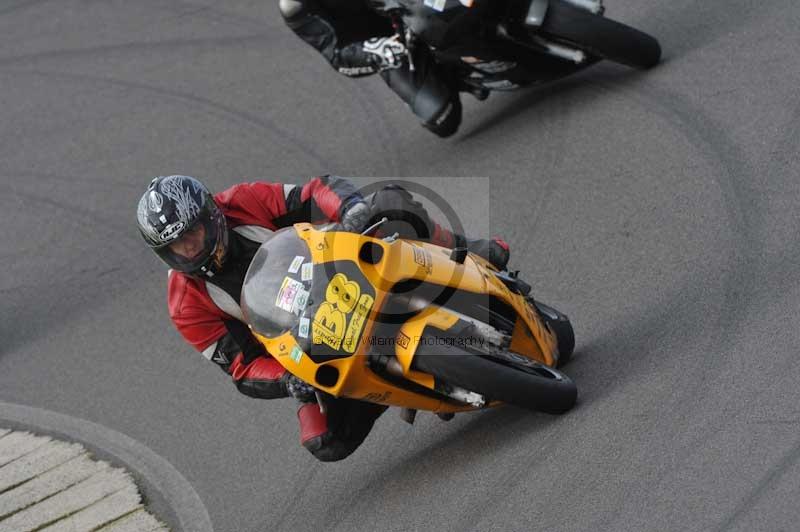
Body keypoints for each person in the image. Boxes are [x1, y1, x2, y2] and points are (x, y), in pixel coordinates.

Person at [137, 174, 509, 461]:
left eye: (194, 233)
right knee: (324, 440)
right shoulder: (186, 305)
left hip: (342, 270)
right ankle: (396, 388)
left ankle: (468, 251)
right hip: (310, 342)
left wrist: (349, 210)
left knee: (389, 202)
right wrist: (286, 381)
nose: (190, 248)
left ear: (211, 215)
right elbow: (242, 367)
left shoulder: (242, 201)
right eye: (176, 246)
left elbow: (314, 192)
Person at [278, 0, 484, 137]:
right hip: (394, 40)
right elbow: (336, 54)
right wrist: (375, 53)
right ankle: (453, 70)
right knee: (441, 116)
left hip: (414, 3)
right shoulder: (295, 5)